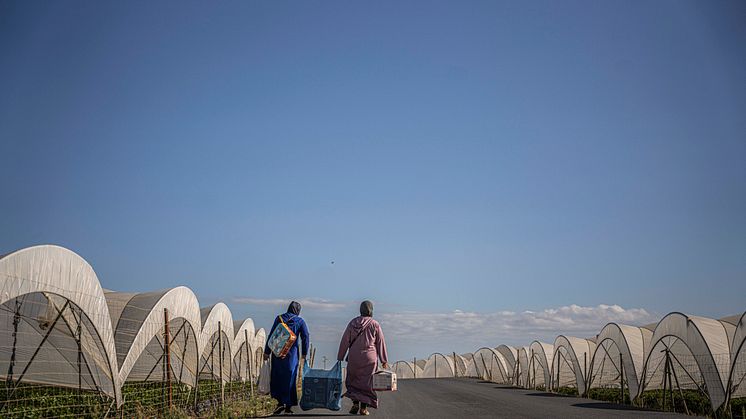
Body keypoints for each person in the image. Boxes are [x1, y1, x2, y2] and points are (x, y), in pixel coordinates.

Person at [337, 300, 388, 416]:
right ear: (371, 310)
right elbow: (380, 342)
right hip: (369, 359)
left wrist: (340, 356)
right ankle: (363, 408)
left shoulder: (352, 323)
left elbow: (345, 340)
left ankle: (355, 403)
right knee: (366, 383)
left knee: (353, 380)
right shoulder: (375, 324)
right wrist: (384, 360)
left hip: (354, 358)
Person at [264, 301, 310, 415]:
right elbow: (305, 336)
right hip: (291, 355)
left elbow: (271, 335)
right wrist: (304, 353)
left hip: (277, 353)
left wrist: (267, 352)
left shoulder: (279, 318)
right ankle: (288, 407)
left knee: (278, 377)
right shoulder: (300, 321)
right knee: (290, 379)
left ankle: (279, 403)